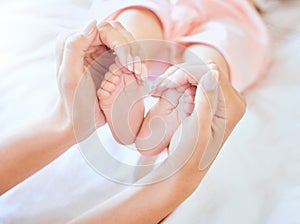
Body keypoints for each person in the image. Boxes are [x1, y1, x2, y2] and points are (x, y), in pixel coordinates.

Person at [0, 18, 246, 223]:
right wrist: (172, 185)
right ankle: (192, 86)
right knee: (222, 43)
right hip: (234, 10)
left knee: (133, 23)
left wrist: (67, 123)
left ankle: (126, 65)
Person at [93, 0, 270, 156]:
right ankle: (128, 62)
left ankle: (189, 89)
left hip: (231, 9)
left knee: (221, 45)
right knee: (139, 14)